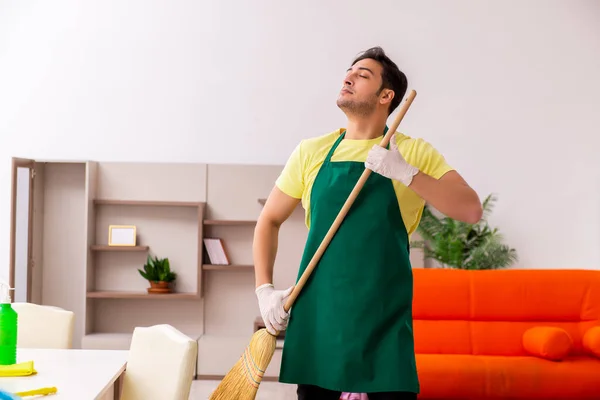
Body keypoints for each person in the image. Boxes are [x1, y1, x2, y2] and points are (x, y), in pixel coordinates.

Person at [253, 46, 482, 400]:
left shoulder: (411, 152)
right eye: (349, 72)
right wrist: (264, 290)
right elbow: (269, 219)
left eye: (362, 75)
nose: (348, 78)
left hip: (383, 321)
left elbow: (470, 210)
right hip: (319, 317)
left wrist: (406, 173)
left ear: (386, 96)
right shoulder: (312, 151)